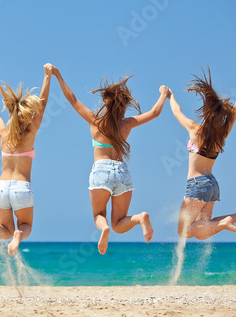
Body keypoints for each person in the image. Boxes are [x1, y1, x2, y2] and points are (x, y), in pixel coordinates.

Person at [53, 67, 170, 254]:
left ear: (106, 102)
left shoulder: (95, 121)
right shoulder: (127, 124)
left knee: (99, 216)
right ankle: (140, 218)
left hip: (101, 171)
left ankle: (103, 228)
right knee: (119, 223)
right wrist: (164, 94)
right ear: (123, 105)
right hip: (122, 171)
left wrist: (57, 75)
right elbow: (155, 112)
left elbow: (72, 99)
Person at [169, 69, 236, 240]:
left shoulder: (195, 129)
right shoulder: (222, 135)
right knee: (203, 231)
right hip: (212, 185)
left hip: (197, 184)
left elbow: (176, 112)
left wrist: (169, 95)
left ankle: (224, 224)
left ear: (205, 113)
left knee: (183, 231)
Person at [0, 63, 54, 255]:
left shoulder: (3, 133)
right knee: (24, 226)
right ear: (26, 115)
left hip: (0, 188)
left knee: (5, 229)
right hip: (21, 188)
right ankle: (18, 236)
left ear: (10, 113)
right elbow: (42, 106)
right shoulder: (30, 134)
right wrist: (47, 76)